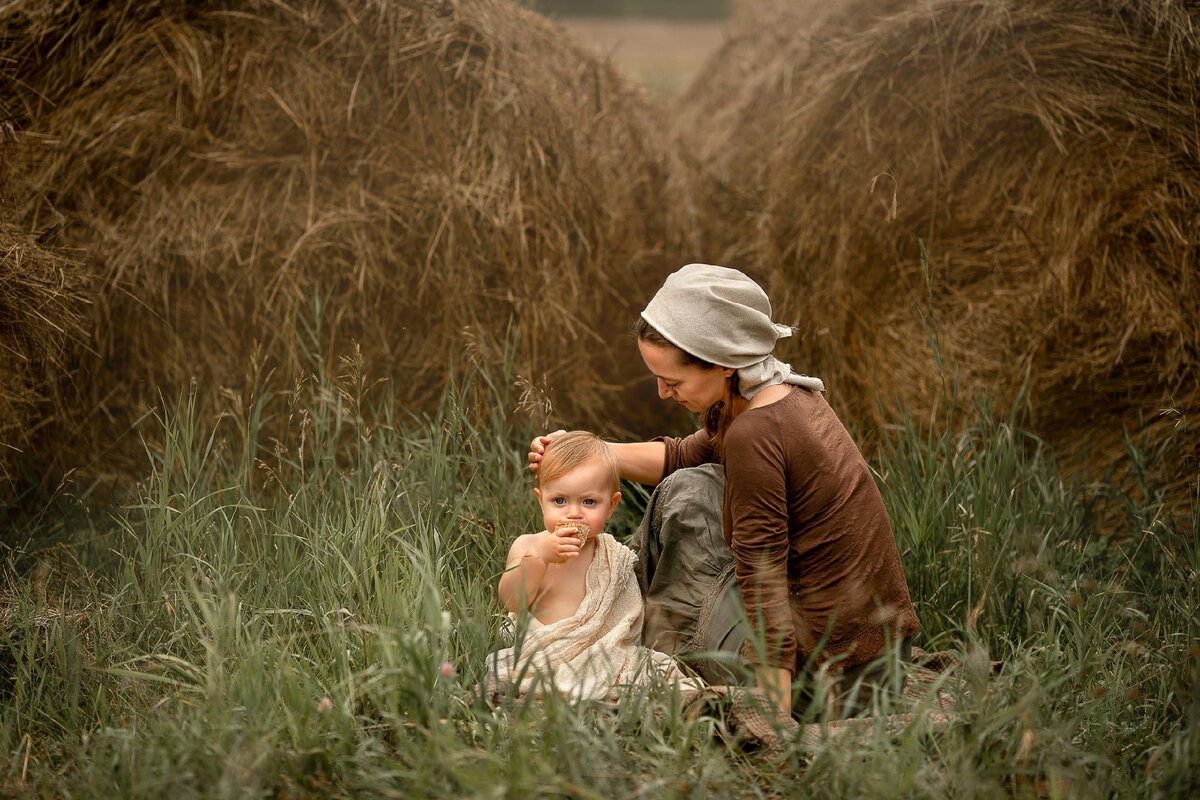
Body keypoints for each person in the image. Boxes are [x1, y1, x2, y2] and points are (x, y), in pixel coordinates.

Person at [528, 264, 919, 716]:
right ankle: (604, 615)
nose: (661, 393)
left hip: (835, 683)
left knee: (688, 499)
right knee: (696, 481)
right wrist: (586, 455)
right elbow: (684, 454)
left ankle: (612, 626)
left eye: (672, 382)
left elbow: (763, 572)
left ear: (720, 361)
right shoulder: (779, 392)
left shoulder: (754, 433)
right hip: (884, 665)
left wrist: (771, 717)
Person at [491, 431, 701, 701]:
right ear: (539, 499)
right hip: (548, 653)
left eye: (589, 502)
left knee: (648, 673)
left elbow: (620, 622)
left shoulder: (612, 556)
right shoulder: (528, 546)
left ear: (611, 505)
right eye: (559, 501)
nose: (574, 512)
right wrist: (539, 558)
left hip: (602, 652)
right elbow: (512, 602)